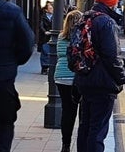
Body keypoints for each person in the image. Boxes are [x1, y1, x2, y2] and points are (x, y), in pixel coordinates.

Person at [75, 0, 125, 152]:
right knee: (97, 132)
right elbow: (112, 57)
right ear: (111, 1)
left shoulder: (84, 18)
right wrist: (121, 78)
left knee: (85, 128)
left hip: (84, 79)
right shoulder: (106, 22)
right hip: (103, 83)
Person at [0, 0, 34, 152]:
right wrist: (14, 62)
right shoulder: (12, 11)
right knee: (4, 125)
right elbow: (27, 43)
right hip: (3, 80)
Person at [55, 9, 83, 152]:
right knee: (83, 113)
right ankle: (82, 144)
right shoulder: (81, 37)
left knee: (67, 112)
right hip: (76, 77)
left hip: (60, 77)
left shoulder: (60, 36)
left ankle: (65, 145)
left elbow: (59, 54)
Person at [39, 1, 54, 74]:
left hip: (51, 36)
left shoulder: (55, 17)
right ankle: (44, 67)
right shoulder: (43, 17)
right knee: (45, 52)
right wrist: (45, 31)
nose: (52, 9)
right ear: (46, 10)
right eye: (50, 8)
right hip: (45, 37)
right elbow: (41, 26)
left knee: (50, 52)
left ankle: (49, 67)